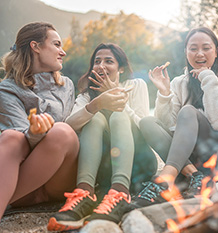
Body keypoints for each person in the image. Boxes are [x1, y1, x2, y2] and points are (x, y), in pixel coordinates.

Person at [47, 43, 158, 231]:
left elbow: (144, 126)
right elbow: (68, 126)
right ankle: (84, 193)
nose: (101, 65)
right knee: (94, 117)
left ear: (120, 68)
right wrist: (96, 104)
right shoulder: (86, 96)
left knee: (118, 115)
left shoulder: (136, 86)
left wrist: (116, 96)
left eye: (109, 61)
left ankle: (120, 193)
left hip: (140, 162)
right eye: (97, 61)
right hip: (105, 168)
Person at [131, 27, 218, 209]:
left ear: (216, 51)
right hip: (188, 160)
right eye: (193, 48)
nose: (199, 53)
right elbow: (167, 127)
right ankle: (194, 176)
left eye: (206, 48)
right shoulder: (179, 83)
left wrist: (207, 77)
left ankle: (165, 179)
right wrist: (164, 93)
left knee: (188, 111)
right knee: (147, 121)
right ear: (186, 52)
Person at [0, 22, 79, 220]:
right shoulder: (7, 89)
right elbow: (18, 145)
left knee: (62, 131)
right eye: (57, 44)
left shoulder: (66, 85)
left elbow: (73, 127)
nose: (63, 52)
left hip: (59, 179)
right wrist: (34, 134)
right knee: (11, 136)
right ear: (35, 46)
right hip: (23, 183)